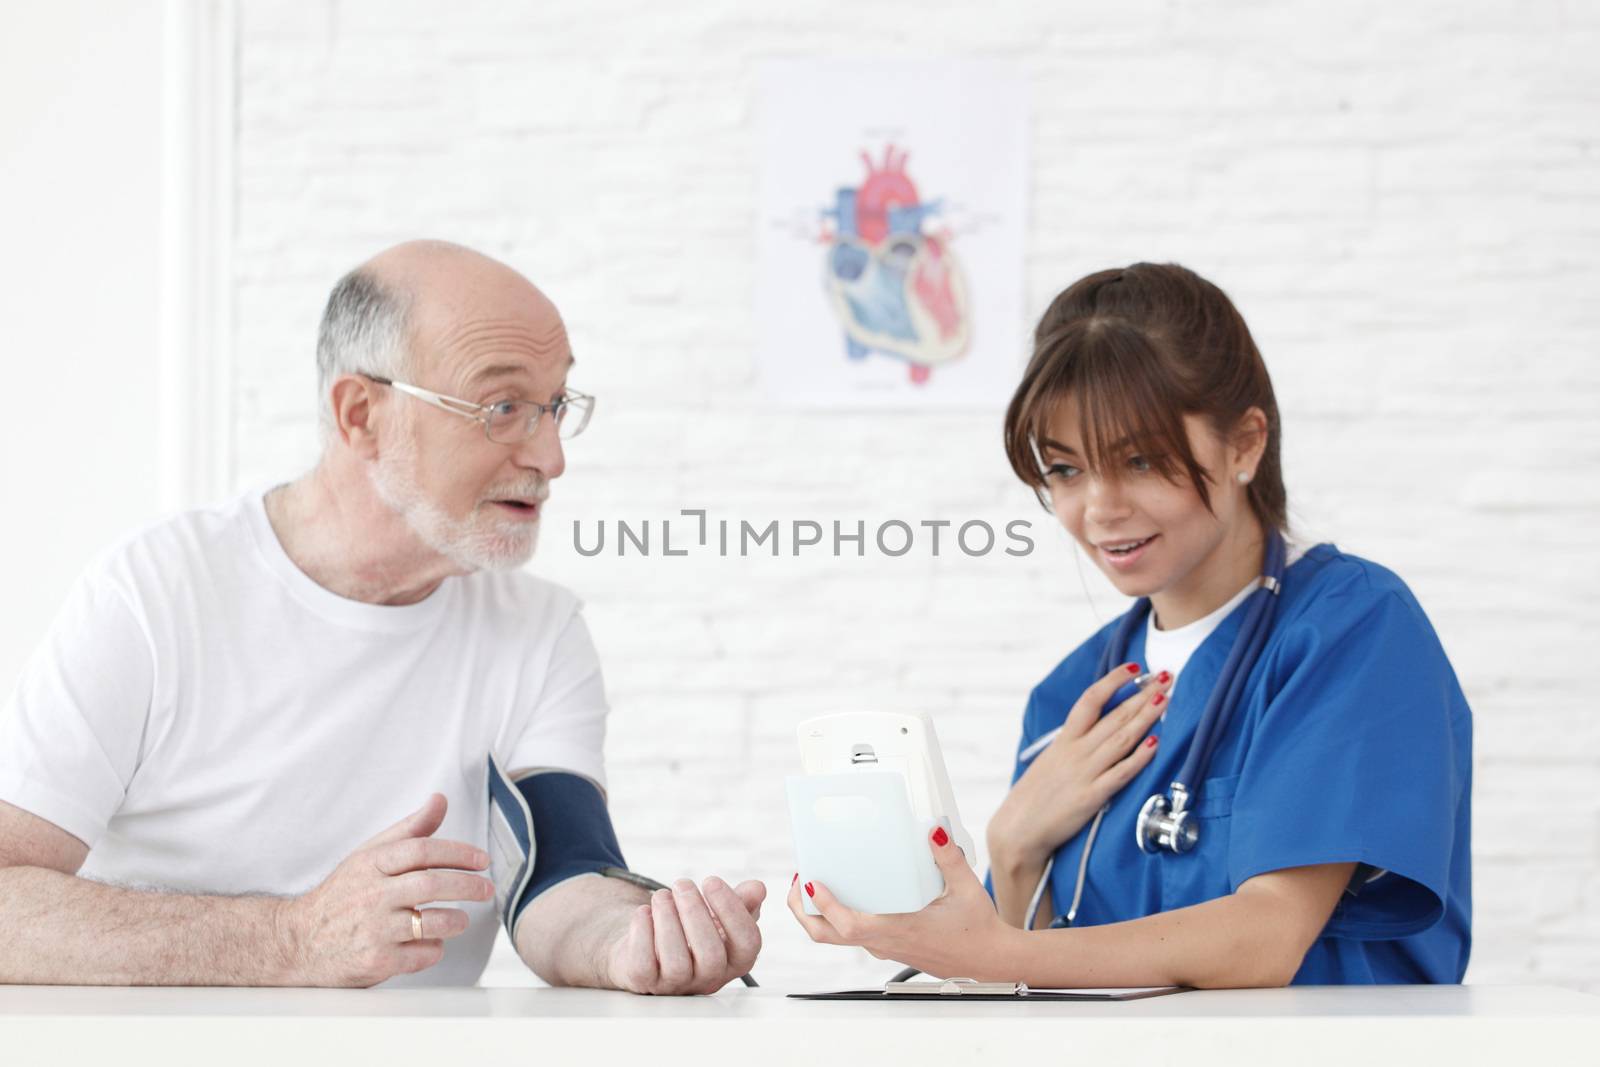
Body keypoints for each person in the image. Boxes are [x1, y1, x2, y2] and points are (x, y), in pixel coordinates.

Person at [0, 239, 764, 991]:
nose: (551, 456)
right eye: (504, 406)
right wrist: (290, 939)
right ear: (360, 412)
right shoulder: (153, 595)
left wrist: (630, 946)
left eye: (555, 404)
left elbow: (560, 876)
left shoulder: (540, 628)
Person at [788, 262, 1472, 987]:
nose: (1099, 508)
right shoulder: (1071, 697)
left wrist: (993, 950)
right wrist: (1012, 849)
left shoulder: (1350, 629)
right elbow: (1020, 987)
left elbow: (1268, 936)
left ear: (1243, 444)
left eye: (1139, 459)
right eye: (1065, 470)